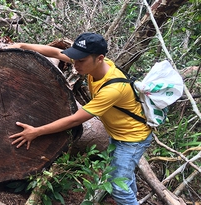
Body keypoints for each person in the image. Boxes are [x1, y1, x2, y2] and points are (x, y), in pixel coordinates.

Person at [8, 32, 152, 205]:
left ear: (99, 58)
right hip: (118, 134)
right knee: (123, 177)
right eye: (75, 59)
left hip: (132, 139)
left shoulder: (113, 89)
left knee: (118, 188)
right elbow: (56, 53)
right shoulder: (95, 65)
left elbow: (75, 120)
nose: (75, 65)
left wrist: (36, 132)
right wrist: (22, 45)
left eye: (80, 60)